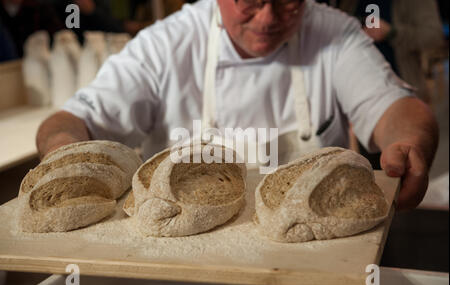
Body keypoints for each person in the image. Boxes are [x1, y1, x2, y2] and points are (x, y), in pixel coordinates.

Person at [36, 0, 439, 212]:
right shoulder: (166, 45)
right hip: (181, 269)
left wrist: (410, 144)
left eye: (287, 3)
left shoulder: (334, 34)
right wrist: (64, 159)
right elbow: (70, 122)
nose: (267, 18)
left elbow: (396, 108)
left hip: (313, 267)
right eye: (251, 0)